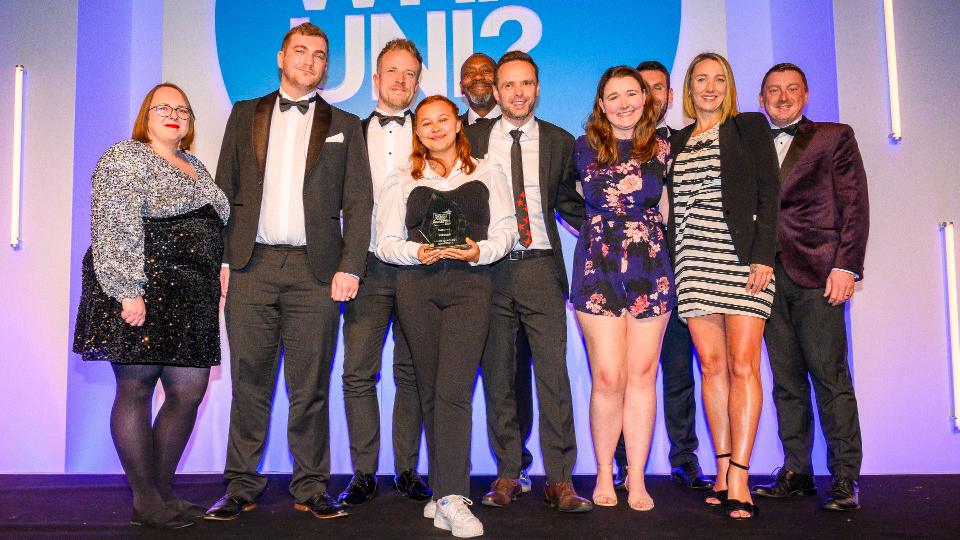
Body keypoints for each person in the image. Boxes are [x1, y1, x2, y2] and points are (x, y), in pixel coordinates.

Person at [204, 22, 372, 521]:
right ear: (281, 58)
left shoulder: (345, 122)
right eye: (301, 52)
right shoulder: (244, 114)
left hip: (316, 272)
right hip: (251, 266)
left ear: (326, 66)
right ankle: (240, 485)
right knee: (248, 381)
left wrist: (351, 266)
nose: (310, 61)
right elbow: (223, 188)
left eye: (320, 55)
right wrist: (224, 259)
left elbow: (358, 204)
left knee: (310, 385)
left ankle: (311, 485)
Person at [73, 82, 229, 529]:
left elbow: (211, 222)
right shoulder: (125, 157)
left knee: (189, 390)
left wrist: (219, 262)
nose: (174, 114)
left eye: (182, 109)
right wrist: (126, 290)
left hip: (192, 295)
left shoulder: (194, 164)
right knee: (136, 389)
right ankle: (145, 500)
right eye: (164, 107)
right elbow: (113, 223)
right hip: (143, 288)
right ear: (147, 114)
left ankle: (160, 494)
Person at [376, 95, 518, 538]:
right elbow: (384, 242)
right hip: (416, 287)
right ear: (416, 132)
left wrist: (480, 251)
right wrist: (417, 251)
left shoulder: (489, 170)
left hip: (470, 286)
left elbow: (507, 232)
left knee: (455, 390)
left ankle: (454, 496)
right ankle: (441, 494)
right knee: (432, 391)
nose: (435, 128)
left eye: (443, 120)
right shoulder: (400, 177)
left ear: (459, 125)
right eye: (426, 123)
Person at [466, 51, 592, 513]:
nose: (517, 93)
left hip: (540, 267)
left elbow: (572, 204)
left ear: (538, 88)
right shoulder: (471, 137)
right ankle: (508, 473)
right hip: (491, 270)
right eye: (509, 85)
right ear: (496, 92)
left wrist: (616, 227)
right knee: (499, 375)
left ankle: (560, 479)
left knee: (554, 376)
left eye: (526, 84)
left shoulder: (561, 141)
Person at [667, 52, 779, 519]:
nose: (709, 87)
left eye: (719, 79)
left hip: (740, 262)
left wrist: (763, 256)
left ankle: (741, 474)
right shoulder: (674, 140)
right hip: (693, 264)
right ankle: (720, 466)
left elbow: (770, 193)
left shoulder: (747, 127)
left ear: (729, 86)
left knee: (743, 366)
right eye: (700, 80)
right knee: (711, 368)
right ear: (688, 89)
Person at [751, 63, 868, 511]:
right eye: (773, 91)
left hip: (820, 275)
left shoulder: (834, 136)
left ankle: (844, 478)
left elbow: (855, 205)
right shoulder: (751, 143)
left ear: (806, 94)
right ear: (761, 100)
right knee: (785, 381)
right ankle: (797, 470)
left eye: (792, 89)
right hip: (764, 276)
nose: (782, 97)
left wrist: (846, 266)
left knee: (830, 377)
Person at [565, 65, 675, 512]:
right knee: (608, 376)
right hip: (598, 266)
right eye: (614, 95)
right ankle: (605, 472)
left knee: (642, 375)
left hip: (651, 266)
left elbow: (671, 205)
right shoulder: (580, 149)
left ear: (646, 100)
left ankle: (637, 478)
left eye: (633, 93)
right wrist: (595, 230)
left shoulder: (666, 147)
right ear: (601, 103)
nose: (625, 102)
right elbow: (563, 198)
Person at [611, 60, 712, 492]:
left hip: (676, 271)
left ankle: (684, 458)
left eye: (657, 88)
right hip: (621, 278)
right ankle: (620, 463)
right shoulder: (604, 145)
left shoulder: (682, 144)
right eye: (640, 89)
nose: (648, 96)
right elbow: (580, 197)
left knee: (677, 371)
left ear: (670, 96)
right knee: (617, 375)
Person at [338, 38, 431, 507]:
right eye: (392, 71)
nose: (400, 80)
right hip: (366, 269)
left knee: (412, 372)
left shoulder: (434, 132)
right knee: (358, 372)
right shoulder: (347, 132)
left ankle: (409, 470)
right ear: (375, 79)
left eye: (410, 73)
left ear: (418, 81)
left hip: (420, 268)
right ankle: (363, 472)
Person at [460, 51, 538, 494]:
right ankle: (463, 462)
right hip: (474, 272)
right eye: (469, 73)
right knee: (483, 370)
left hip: (526, 268)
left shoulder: (540, 136)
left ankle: (517, 463)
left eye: (487, 73)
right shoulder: (456, 134)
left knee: (516, 371)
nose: (479, 79)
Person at [459, 52, 501, 125]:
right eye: (470, 73)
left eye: (485, 71)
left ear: (499, 81)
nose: (478, 77)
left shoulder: (519, 122)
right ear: (461, 86)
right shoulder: (452, 130)